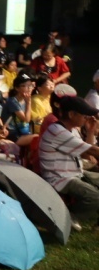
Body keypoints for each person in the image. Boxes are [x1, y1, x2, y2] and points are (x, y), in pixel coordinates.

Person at [38, 95, 99, 229]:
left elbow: (85, 153)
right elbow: (93, 151)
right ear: (71, 114)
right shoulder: (58, 131)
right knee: (95, 197)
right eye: (84, 115)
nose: (87, 118)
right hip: (60, 178)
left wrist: (90, 132)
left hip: (74, 173)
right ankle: (68, 217)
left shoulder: (70, 130)